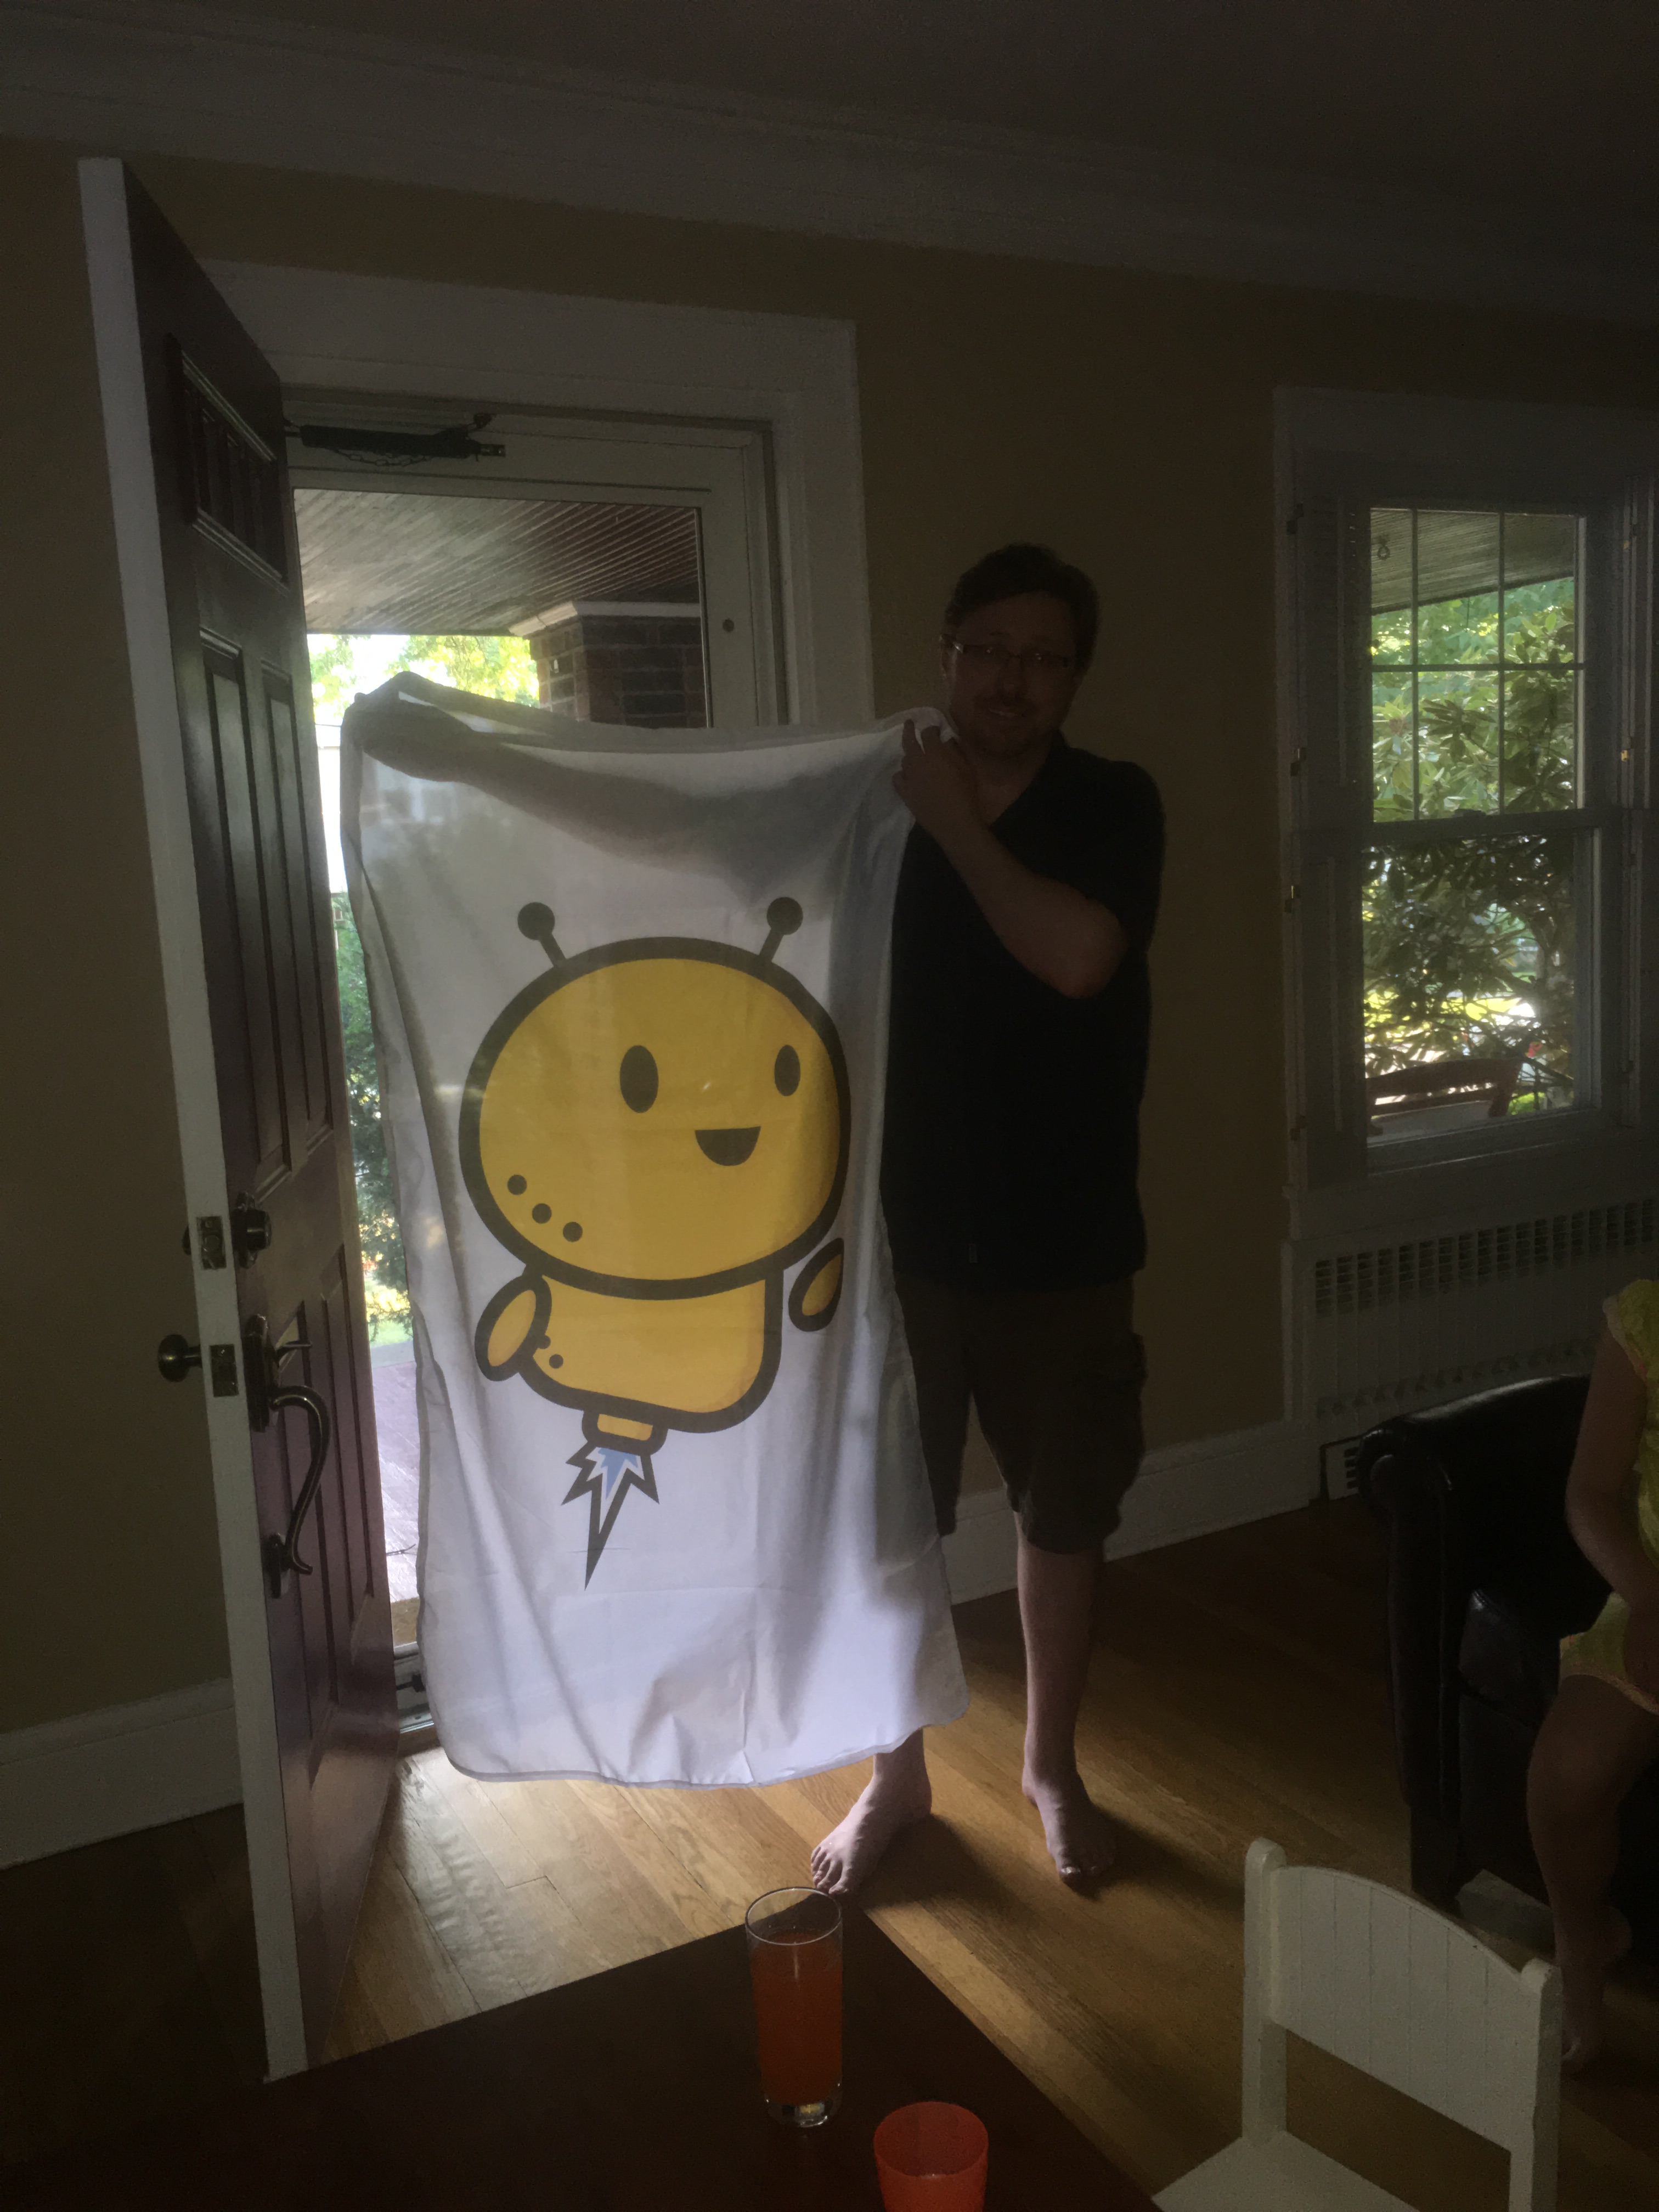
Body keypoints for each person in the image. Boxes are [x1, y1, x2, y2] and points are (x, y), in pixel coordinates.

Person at [812, 543, 1164, 1895]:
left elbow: (1078, 958)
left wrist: (956, 822)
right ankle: (895, 1775)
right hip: (895, 1242)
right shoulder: (872, 803)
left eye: (1046, 658)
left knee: (1062, 1515)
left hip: (1065, 1245)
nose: (1015, 679)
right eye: (991, 650)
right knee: (889, 1525)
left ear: (1073, 678)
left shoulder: (1113, 804)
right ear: (948, 654)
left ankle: (1049, 1768)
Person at [1527, 1279, 1659, 2069]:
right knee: (1567, 1772)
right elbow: (1592, 1494)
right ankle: (1583, 1934)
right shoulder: (1645, 1321)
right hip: (1656, 1590)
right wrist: (1648, 1600)